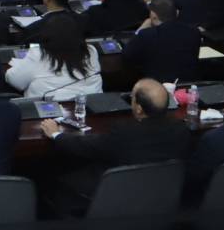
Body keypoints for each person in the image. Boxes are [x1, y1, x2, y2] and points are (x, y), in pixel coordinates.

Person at [42, 79, 191, 208]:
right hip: (159, 201)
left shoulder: (124, 132)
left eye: (132, 98)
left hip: (115, 200)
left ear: (139, 108)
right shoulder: (181, 129)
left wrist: (56, 134)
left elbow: (88, 146)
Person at [7, 14, 102, 99]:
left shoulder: (38, 54)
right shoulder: (91, 51)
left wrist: (18, 65)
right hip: (92, 106)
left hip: (50, 109)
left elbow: (15, 81)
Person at [122, 0, 199, 84]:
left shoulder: (146, 35)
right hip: (187, 86)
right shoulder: (194, 32)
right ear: (176, 13)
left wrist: (140, 30)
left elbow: (127, 55)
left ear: (153, 16)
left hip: (156, 87)